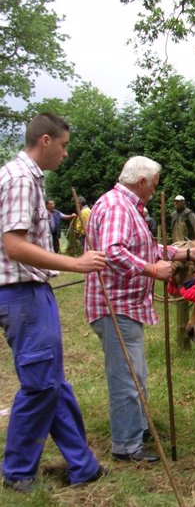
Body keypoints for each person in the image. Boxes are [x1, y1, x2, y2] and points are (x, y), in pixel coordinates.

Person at [0, 113, 109, 492]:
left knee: (53, 381)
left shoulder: (26, 177)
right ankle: (17, 473)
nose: (65, 154)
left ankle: (82, 466)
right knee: (41, 384)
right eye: (63, 146)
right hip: (21, 293)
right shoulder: (20, 179)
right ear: (45, 141)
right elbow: (13, 246)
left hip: (32, 292)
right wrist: (75, 263)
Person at [84, 156, 195, 464]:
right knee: (127, 377)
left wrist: (185, 252)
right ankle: (126, 446)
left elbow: (145, 248)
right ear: (141, 182)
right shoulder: (116, 207)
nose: (155, 190)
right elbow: (114, 252)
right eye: (154, 184)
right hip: (115, 306)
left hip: (125, 305)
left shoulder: (128, 207)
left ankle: (139, 429)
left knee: (135, 373)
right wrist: (152, 270)